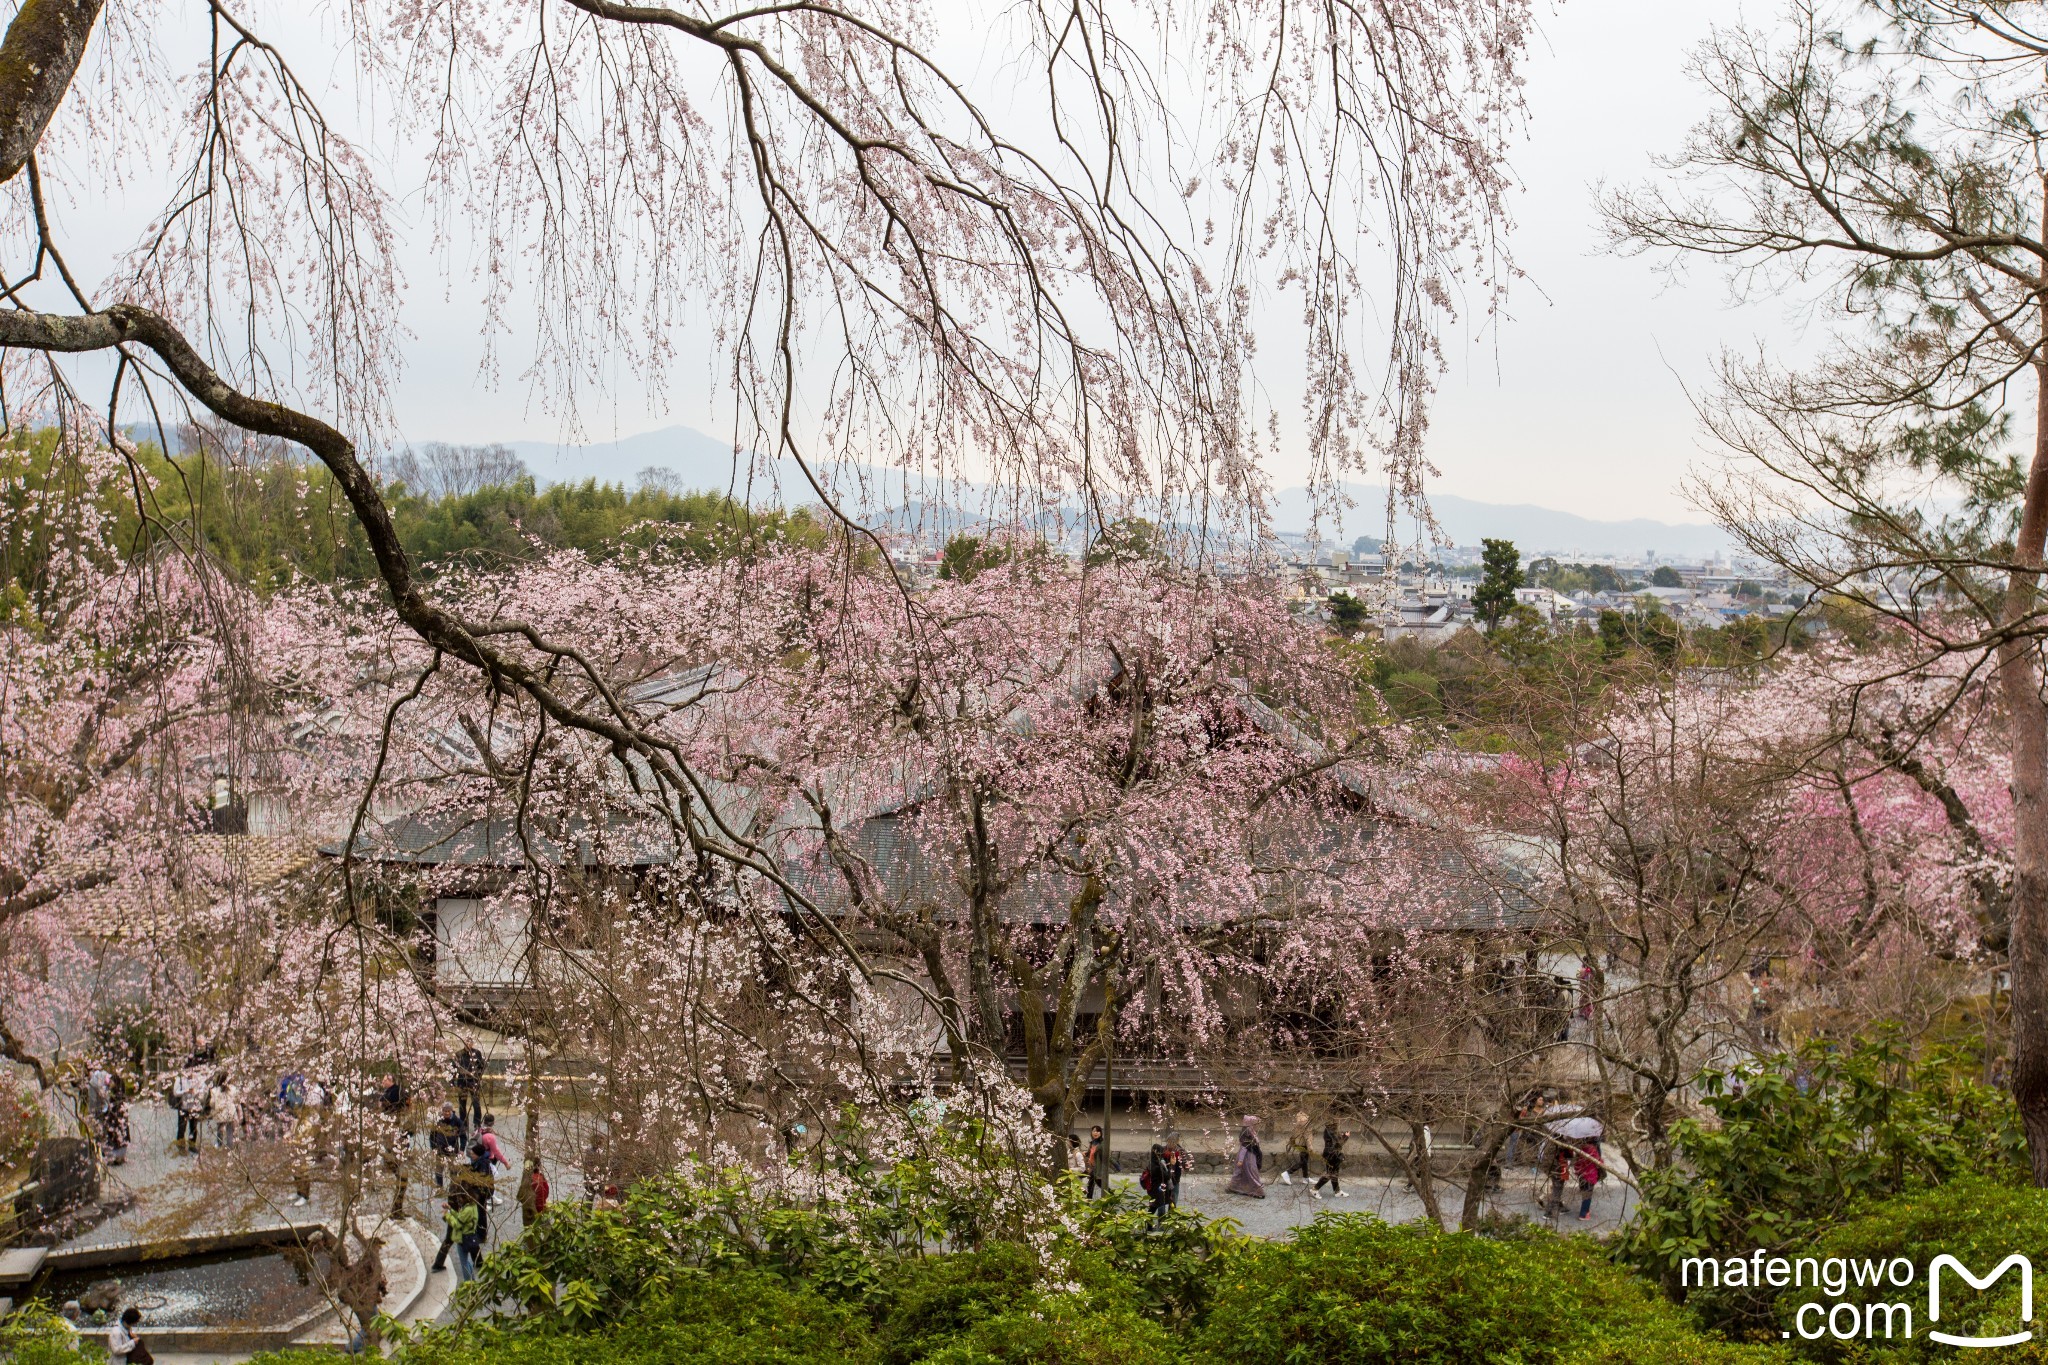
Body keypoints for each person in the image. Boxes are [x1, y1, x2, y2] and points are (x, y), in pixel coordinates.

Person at [428, 1102, 465, 1188]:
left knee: (453, 1170)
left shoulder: (457, 1121)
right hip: (440, 1149)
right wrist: (433, 1148)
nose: (447, 1113)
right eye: (445, 1111)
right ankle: (439, 1187)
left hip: (453, 1149)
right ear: (442, 1111)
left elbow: (463, 1136)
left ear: (451, 1111)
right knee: (439, 1170)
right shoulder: (437, 1120)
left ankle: (453, 1188)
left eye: (448, 1111)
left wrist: (462, 1149)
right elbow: (432, 1136)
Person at [451, 1044, 485, 1133]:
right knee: (462, 1105)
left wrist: (479, 1077)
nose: (468, 1044)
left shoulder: (477, 1053)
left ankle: (477, 1124)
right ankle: (463, 1124)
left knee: (476, 1104)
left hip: (474, 1081)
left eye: (470, 1042)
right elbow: (453, 1069)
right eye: (466, 1042)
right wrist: (452, 1083)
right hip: (462, 1081)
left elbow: (482, 1066)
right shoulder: (458, 1054)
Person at [1313, 1122, 1350, 1198]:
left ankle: (1337, 1191)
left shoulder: (1330, 1129)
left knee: (1335, 1173)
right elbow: (1338, 1144)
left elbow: (1336, 1141)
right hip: (1331, 1155)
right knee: (1330, 1174)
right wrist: (1346, 1137)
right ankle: (1315, 1189)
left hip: (1332, 1154)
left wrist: (1343, 1136)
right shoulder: (1331, 1131)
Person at [1225, 1130, 1265, 1199]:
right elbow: (1243, 1150)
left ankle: (1256, 1190)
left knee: (1248, 1174)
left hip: (1249, 1159)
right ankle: (1256, 1190)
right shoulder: (1248, 1141)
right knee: (1249, 1174)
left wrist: (1241, 1160)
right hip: (1248, 1160)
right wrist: (1240, 1160)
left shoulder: (1249, 1139)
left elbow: (1245, 1149)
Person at [516, 1156, 549, 1231]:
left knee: (531, 1229)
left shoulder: (527, 1180)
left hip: (530, 1209)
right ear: (539, 1166)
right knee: (546, 1226)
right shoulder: (541, 1178)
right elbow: (546, 1193)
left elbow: (520, 1196)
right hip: (542, 1207)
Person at [1143, 1142, 1173, 1223]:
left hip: (1154, 1189)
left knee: (1154, 1206)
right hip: (1158, 1189)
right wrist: (1171, 1167)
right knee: (1154, 1206)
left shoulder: (1151, 1162)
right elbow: (1166, 1176)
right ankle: (1150, 1223)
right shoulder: (1156, 1165)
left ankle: (1149, 1223)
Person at [1280, 1110, 1312, 1185]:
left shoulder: (1298, 1123)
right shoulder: (1305, 1124)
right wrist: (1310, 1147)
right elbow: (1307, 1137)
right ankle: (1287, 1172)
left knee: (1304, 1161)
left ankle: (1305, 1178)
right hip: (1304, 1145)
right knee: (1303, 1162)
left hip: (1300, 1144)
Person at [1162, 1134, 1190, 1207]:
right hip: (1163, 1179)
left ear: (1177, 1141)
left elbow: (1186, 1166)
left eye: (1173, 1142)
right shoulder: (1163, 1150)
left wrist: (1186, 1165)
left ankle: (1171, 1217)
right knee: (1161, 1203)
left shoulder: (1181, 1151)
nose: (1171, 1143)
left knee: (1173, 1203)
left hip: (1175, 1180)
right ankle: (1161, 1218)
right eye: (1169, 1141)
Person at [1083, 1125, 1108, 1198]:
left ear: (1100, 1133)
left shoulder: (1102, 1144)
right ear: (1091, 1133)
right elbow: (1091, 1152)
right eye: (1094, 1131)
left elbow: (1106, 1156)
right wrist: (1086, 1153)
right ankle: (1088, 1200)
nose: (1095, 1133)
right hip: (1092, 1168)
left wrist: (1116, 1165)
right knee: (1090, 1185)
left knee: (1100, 1184)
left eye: (1097, 1131)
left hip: (1097, 1168)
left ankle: (1112, 1196)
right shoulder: (1092, 1143)